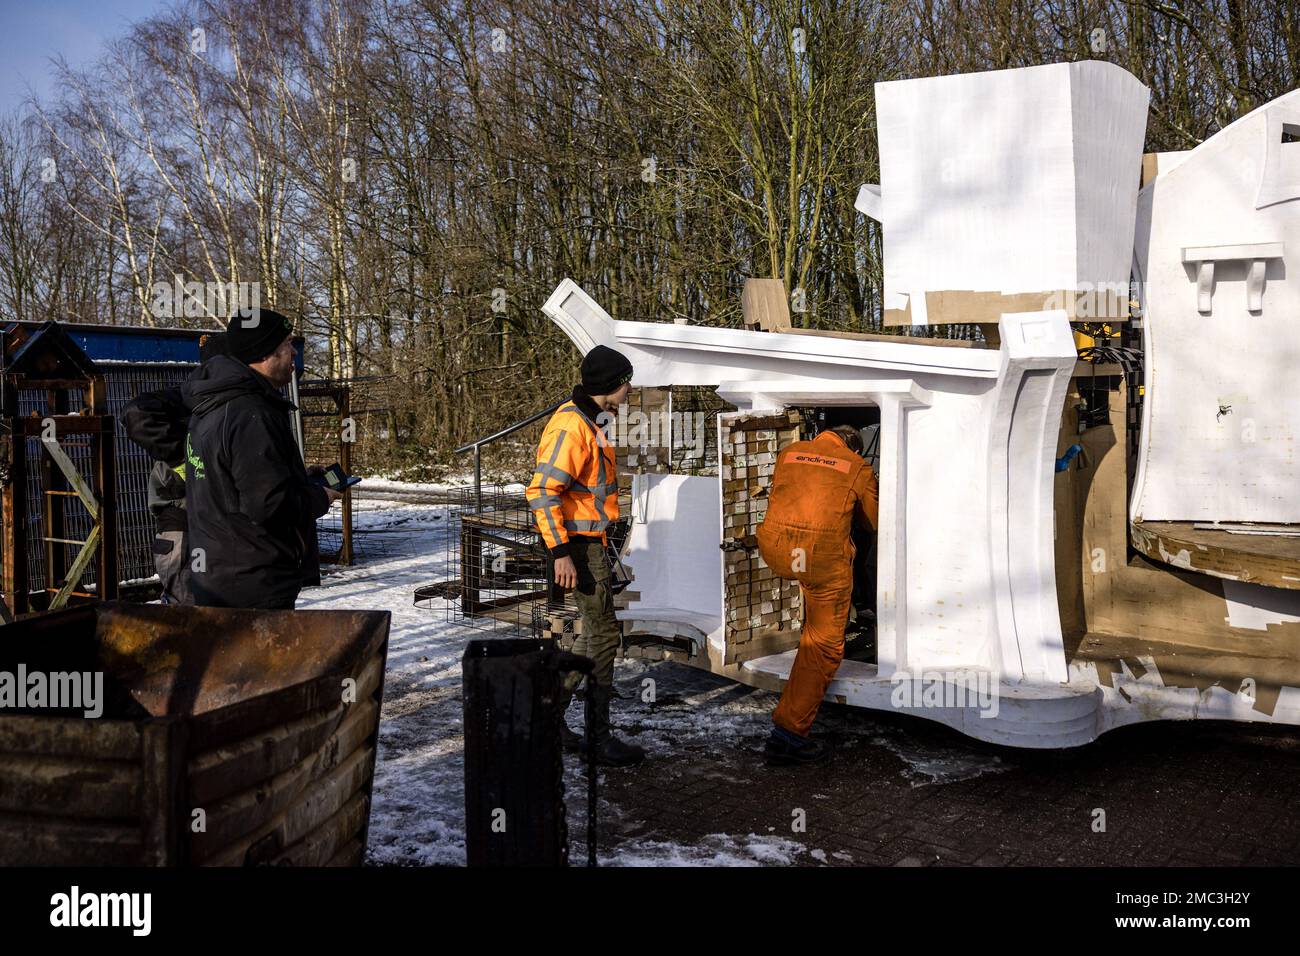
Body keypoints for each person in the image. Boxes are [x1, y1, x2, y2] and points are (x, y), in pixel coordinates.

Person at [526, 344, 644, 767]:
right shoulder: (572, 427)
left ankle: (549, 719)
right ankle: (597, 736)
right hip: (577, 546)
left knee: (592, 636)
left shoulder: (592, 421)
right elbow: (541, 491)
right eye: (626, 379)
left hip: (590, 543)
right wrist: (560, 552)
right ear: (610, 384)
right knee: (605, 636)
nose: (631, 387)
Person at [182, 308, 342, 609]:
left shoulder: (211, 403)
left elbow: (233, 483)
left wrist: (296, 478)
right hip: (252, 584)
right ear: (264, 353)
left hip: (218, 575)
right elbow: (269, 505)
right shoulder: (251, 412)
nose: (294, 352)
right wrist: (319, 496)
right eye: (287, 343)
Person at [756, 424, 879, 765]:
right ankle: (788, 735)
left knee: (809, 588)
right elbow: (874, 521)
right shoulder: (857, 466)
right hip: (821, 560)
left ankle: (807, 622)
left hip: (777, 549)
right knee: (823, 645)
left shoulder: (790, 452)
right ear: (853, 446)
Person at [120, 334, 227, 605]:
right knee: (190, 623)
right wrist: (184, 462)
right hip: (184, 530)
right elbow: (136, 414)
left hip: (206, 532)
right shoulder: (194, 400)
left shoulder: (219, 409)